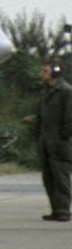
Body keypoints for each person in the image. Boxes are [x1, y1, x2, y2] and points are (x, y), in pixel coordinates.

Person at [36, 58, 71, 222]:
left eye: (46, 70)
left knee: (61, 178)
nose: (42, 73)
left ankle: (63, 209)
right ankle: (55, 210)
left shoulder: (66, 91)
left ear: (56, 71)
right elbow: (39, 117)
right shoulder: (44, 92)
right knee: (48, 179)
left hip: (60, 143)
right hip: (45, 142)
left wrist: (63, 136)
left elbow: (69, 118)